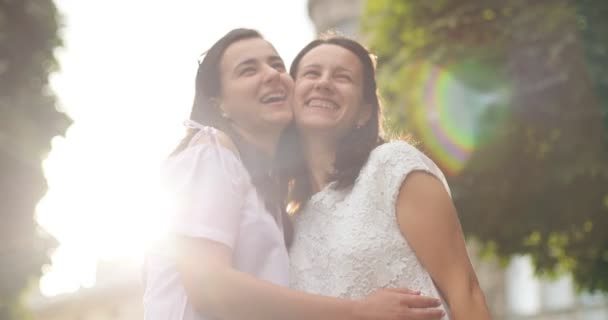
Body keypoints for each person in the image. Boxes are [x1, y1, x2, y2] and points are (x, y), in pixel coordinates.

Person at [143, 28, 446, 320]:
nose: (272, 74)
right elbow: (208, 288)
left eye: (277, 64)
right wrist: (360, 311)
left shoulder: (272, 196)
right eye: (248, 70)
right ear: (219, 104)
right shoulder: (210, 150)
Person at [283, 35, 493, 320]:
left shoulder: (392, 166)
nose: (324, 83)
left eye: (342, 77)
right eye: (311, 73)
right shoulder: (290, 220)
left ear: (364, 112)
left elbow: (465, 291)